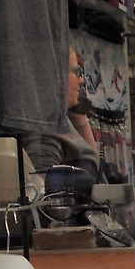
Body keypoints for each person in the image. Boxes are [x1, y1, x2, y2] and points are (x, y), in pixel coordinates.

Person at [24, 47, 101, 180]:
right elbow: (42, 182)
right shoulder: (46, 124)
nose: (81, 80)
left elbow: (94, 171)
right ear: (56, 77)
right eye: (76, 72)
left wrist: (80, 119)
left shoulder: (59, 119)